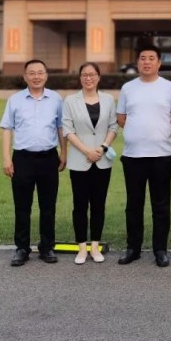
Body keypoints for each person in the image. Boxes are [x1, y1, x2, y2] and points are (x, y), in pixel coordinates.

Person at [116, 45, 171, 267]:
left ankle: (160, 250)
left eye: (151, 58)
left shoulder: (170, 87)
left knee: (161, 205)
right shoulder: (128, 88)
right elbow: (121, 118)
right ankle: (133, 248)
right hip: (133, 156)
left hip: (161, 155)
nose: (146, 62)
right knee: (134, 205)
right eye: (142, 58)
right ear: (137, 63)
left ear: (159, 63)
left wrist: (158, 132)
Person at [0, 59, 66, 266]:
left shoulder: (56, 99)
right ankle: (22, 248)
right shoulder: (15, 100)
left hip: (49, 158)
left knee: (48, 206)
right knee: (22, 206)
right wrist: (6, 158)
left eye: (40, 72)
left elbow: (61, 127)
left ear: (46, 75)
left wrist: (64, 153)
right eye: (32, 73)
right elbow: (7, 129)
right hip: (22, 159)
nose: (36, 76)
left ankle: (47, 247)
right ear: (25, 76)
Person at [62, 62, 118, 265]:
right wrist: (87, 151)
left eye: (92, 74)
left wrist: (102, 148)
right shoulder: (70, 101)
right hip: (80, 160)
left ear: (98, 77)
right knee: (79, 205)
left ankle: (95, 246)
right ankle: (82, 247)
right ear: (80, 78)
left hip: (102, 160)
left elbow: (113, 127)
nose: (88, 78)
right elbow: (67, 130)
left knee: (98, 205)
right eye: (85, 75)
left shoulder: (108, 99)